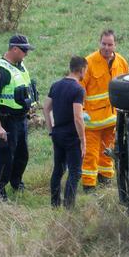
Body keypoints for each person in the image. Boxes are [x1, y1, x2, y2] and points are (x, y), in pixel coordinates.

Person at [0, 34, 38, 200]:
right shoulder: (0, 70)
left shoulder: (20, 65)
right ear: (14, 49)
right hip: (6, 120)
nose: (26, 54)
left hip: (21, 118)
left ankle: (17, 183)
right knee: (5, 157)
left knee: (22, 155)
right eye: (24, 51)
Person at [81, 29, 129, 192]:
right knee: (90, 154)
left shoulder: (121, 62)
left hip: (113, 119)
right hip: (92, 121)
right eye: (104, 44)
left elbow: (127, 86)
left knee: (108, 152)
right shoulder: (89, 63)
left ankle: (105, 179)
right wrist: (81, 112)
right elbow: (79, 89)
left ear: (115, 44)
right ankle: (89, 185)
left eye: (110, 44)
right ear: (99, 43)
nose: (107, 48)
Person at [43, 56, 87, 208]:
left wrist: (51, 130)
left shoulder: (56, 85)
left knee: (58, 170)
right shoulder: (78, 89)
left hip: (58, 134)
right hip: (72, 137)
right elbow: (78, 117)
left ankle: (55, 204)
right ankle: (69, 207)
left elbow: (46, 108)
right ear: (82, 70)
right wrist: (83, 140)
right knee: (75, 172)